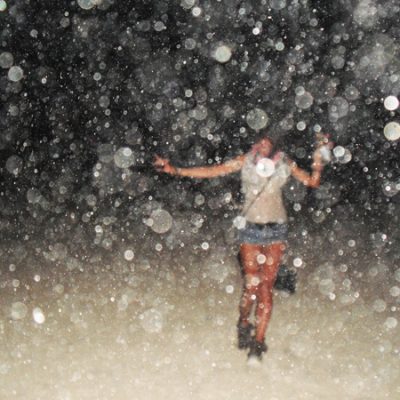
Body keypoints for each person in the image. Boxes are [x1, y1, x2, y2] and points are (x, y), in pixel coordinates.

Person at [154, 133, 332, 361]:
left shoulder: (285, 162)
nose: (263, 143)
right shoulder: (245, 161)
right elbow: (213, 171)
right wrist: (175, 170)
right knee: (251, 286)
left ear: (274, 142)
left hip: (276, 230)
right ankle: (244, 322)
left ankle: (258, 343)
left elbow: (312, 181)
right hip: (250, 230)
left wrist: (318, 159)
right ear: (255, 142)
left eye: (268, 140)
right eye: (260, 140)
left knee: (266, 288)